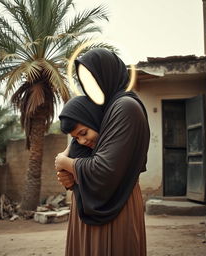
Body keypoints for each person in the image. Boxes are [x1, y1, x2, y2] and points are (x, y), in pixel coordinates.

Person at [55, 48, 150, 256]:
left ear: (107, 74)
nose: (91, 89)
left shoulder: (125, 107)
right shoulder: (104, 112)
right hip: (93, 201)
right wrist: (69, 172)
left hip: (117, 201)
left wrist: (64, 162)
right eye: (85, 83)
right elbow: (79, 149)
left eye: (94, 81)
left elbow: (104, 169)